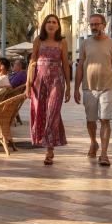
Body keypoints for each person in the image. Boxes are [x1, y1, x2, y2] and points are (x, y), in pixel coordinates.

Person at [73, 13, 112, 167]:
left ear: (104, 25)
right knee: (90, 121)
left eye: (97, 24)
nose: (94, 27)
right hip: (88, 88)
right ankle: (93, 142)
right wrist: (76, 89)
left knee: (105, 120)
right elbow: (80, 67)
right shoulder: (85, 44)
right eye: (92, 24)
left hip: (107, 87)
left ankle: (104, 153)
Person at [27, 14, 71, 165]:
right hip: (39, 81)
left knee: (53, 112)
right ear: (44, 25)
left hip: (56, 82)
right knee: (41, 111)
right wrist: (28, 84)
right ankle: (46, 142)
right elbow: (32, 62)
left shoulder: (62, 42)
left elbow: (65, 64)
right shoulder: (38, 41)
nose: (51, 24)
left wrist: (69, 87)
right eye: (49, 22)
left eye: (54, 22)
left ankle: (49, 149)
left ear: (58, 26)